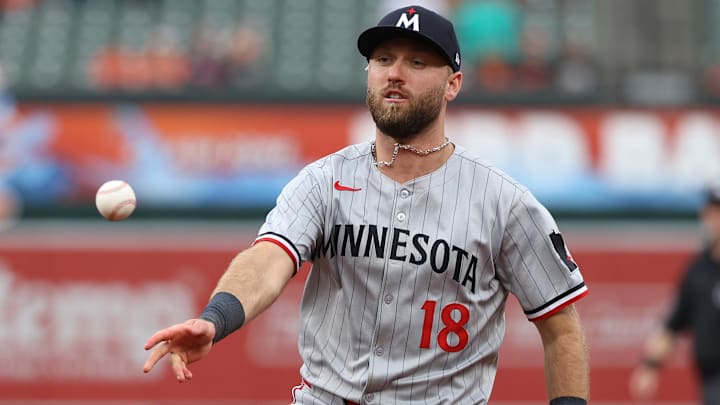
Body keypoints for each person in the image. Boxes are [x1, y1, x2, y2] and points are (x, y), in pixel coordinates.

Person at [142, 5, 590, 404]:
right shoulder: (324, 181)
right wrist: (215, 319)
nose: (395, 73)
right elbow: (268, 259)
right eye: (383, 59)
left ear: (453, 83)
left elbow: (561, 327)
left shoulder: (504, 202)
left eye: (416, 62)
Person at [629, 185, 720, 405]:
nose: (710, 218)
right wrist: (649, 365)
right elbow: (672, 324)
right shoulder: (699, 270)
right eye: (709, 210)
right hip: (712, 382)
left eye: (716, 211)